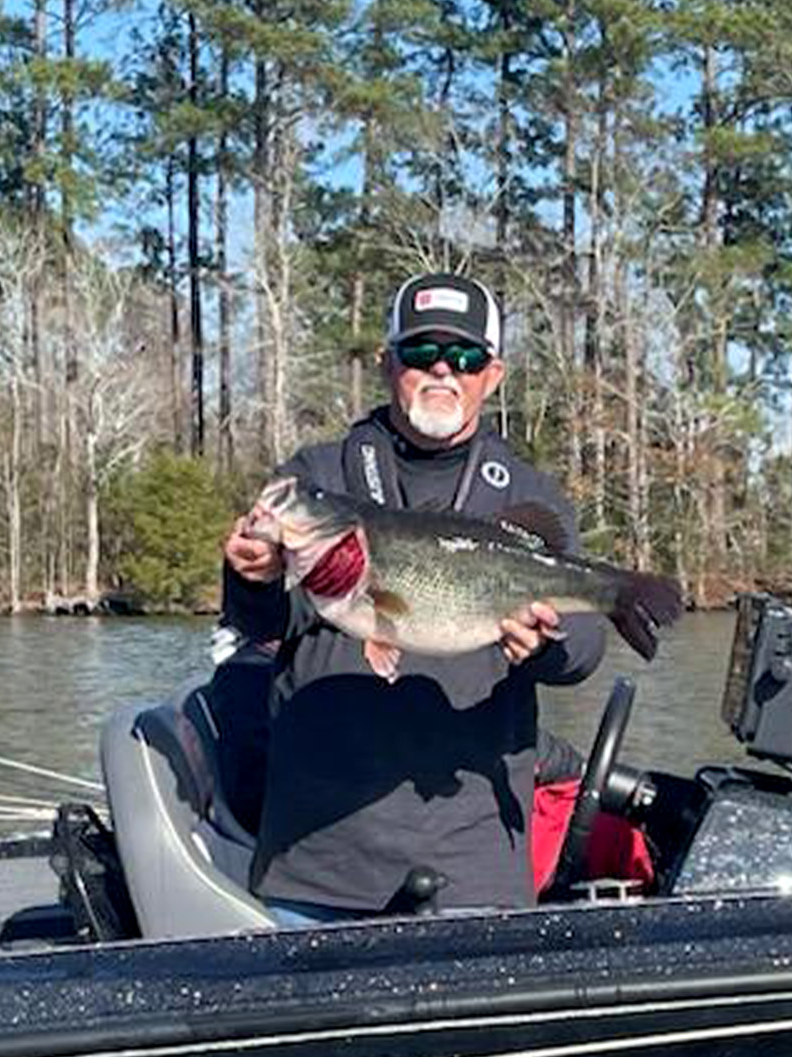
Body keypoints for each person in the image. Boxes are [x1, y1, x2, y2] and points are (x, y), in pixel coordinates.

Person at [221, 272, 606, 924]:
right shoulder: (319, 479)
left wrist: (544, 645)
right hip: (319, 861)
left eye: (465, 358)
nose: (443, 372)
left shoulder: (524, 497)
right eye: (422, 353)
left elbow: (584, 652)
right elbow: (265, 621)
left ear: (494, 375)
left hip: (473, 866)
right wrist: (250, 576)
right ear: (387, 363)